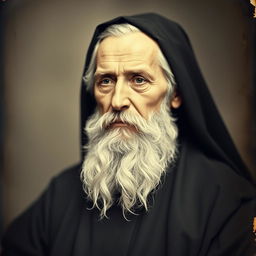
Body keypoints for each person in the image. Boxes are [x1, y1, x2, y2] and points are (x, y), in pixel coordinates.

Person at [1, 13, 256, 256]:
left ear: (176, 94)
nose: (118, 100)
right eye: (106, 81)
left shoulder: (227, 201)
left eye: (138, 80)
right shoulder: (61, 195)